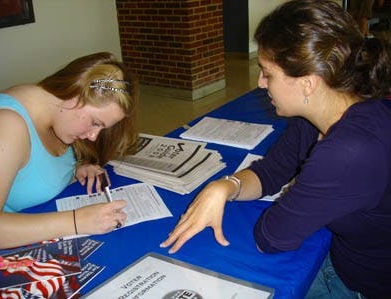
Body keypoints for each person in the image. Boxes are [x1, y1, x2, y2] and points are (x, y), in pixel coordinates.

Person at [160, 1, 391, 298]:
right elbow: (270, 172)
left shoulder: (349, 150)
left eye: (267, 73)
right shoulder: (323, 115)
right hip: (343, 255)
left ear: (307, 83)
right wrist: (224, 186)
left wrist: (301, 184)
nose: (259, 83)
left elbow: (271, 237)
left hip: (363, 284)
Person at [0, 52, 138, 249]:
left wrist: (76, 169)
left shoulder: (54, 113)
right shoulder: (6, 126)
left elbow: (33, 165)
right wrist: (76, 222)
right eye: (95, 123)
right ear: (75, 95)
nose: (94, 136)